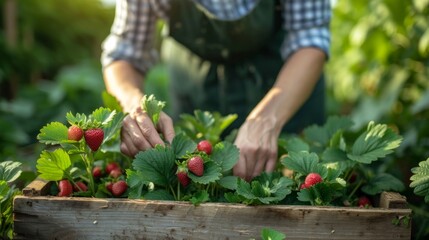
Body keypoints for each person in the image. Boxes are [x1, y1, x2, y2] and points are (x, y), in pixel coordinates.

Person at [101, 0, 331, 181]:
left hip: (282, 87)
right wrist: (133, 106)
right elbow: (125, 51)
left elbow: (309, 36)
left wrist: (268, 120)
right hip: (195, 90)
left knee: (297, 178)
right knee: (192, 180)